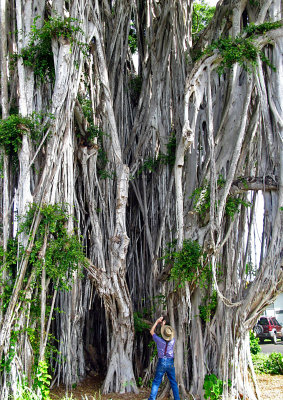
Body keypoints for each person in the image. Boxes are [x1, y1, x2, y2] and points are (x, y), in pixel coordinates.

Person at [148, 316, 180, 400]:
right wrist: (164, 326)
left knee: (156, 382)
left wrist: (157, 322)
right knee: (173, 382)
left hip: (162, 361)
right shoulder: (172, 341)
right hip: (170, 362)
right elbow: (166, 334)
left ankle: (151, 399)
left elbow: (151, 331)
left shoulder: (159, 341)